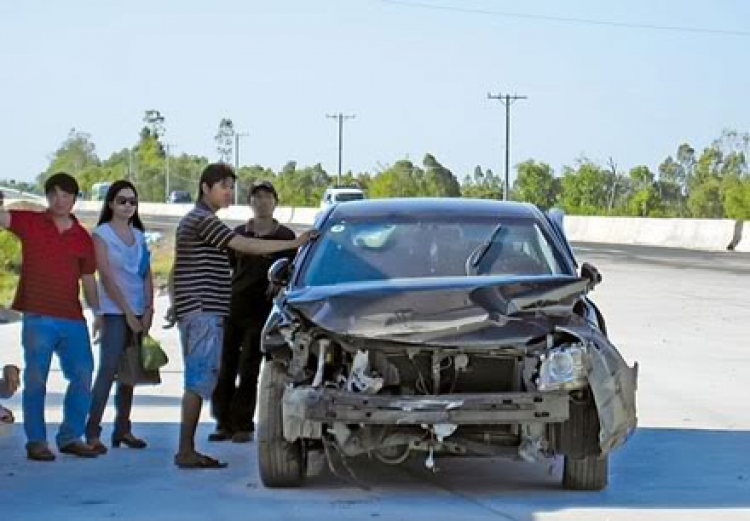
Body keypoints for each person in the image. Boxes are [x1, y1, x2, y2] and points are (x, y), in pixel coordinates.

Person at [167, 163, 316, 469]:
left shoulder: (201, 221)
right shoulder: (204, 221)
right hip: (204, 312)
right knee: (199, 380)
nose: (228, 192)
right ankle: (186, 449)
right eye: (224, 186)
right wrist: (294, 243)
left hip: (209, 311)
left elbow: (177, 268)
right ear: (205, 188)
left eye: (231, 187)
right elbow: (245, 245)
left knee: (217, 374)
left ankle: (193, 445)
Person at [0, 173, 101, 461]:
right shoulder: (31, 222)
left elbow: (88, 279)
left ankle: (71, 436)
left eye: (66, 195)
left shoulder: (82, 236)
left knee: (83, 375)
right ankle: (36, 441)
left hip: (72, 317)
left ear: (74, 199)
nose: (60, 200)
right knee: (36, 379)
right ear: (47, 197)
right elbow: (3, 218)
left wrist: (98, 313)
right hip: (38, 316)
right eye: (54, 194)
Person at [210, 180, 296, 443]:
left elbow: (291, 273)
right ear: (250, 202)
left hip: (262, 311)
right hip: (233, 306)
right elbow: (228, 269)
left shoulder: (285, 238)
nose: (262, 202)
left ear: (275, 202)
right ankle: (223, 422)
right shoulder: (238, 234)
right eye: (257, 197)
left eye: (267, 197)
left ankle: (243, 423)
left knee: (249, 367)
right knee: (225, 367)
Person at [85, 180, 154, 454]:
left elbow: (146, 272)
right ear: (111, 203)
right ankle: (92, 431)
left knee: (129, 371)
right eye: (122, 200)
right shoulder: (101, 234)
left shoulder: (139, 235)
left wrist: (148, 309)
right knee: (108, 370)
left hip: (139, 310)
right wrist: (126, 312)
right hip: (115, 311)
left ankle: (123, 429)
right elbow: (106, 276)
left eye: (132, 201)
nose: (127, 205)